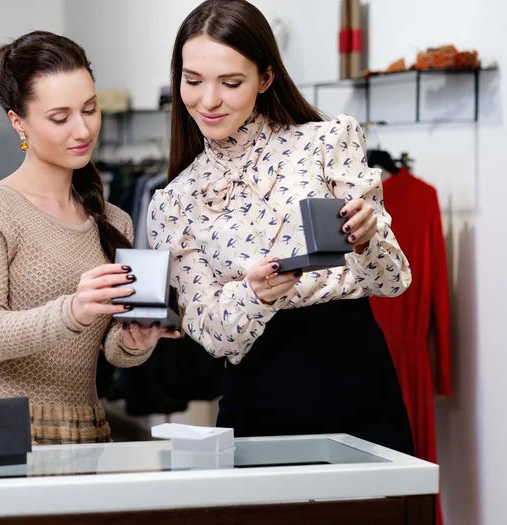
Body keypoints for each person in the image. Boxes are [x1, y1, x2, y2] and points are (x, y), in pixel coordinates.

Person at [147, 0, 414, 454]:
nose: (208, 101)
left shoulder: (328, 139)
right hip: (258, 395)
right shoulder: (174, 201)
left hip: (355, 376)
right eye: (192, 81)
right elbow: (211, 333)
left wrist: (369, 241)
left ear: (265, 78)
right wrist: (254, 296)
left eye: (230, 83)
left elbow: (393, 282)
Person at [0, 31, 180, 449]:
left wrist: (134, 340)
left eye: (90, 109)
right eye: (60, 117)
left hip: (85, 429)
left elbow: (110, 348)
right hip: (3, 425)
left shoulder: (114, 220)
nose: (83, 128)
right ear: (18, 121)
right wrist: (74, 308)